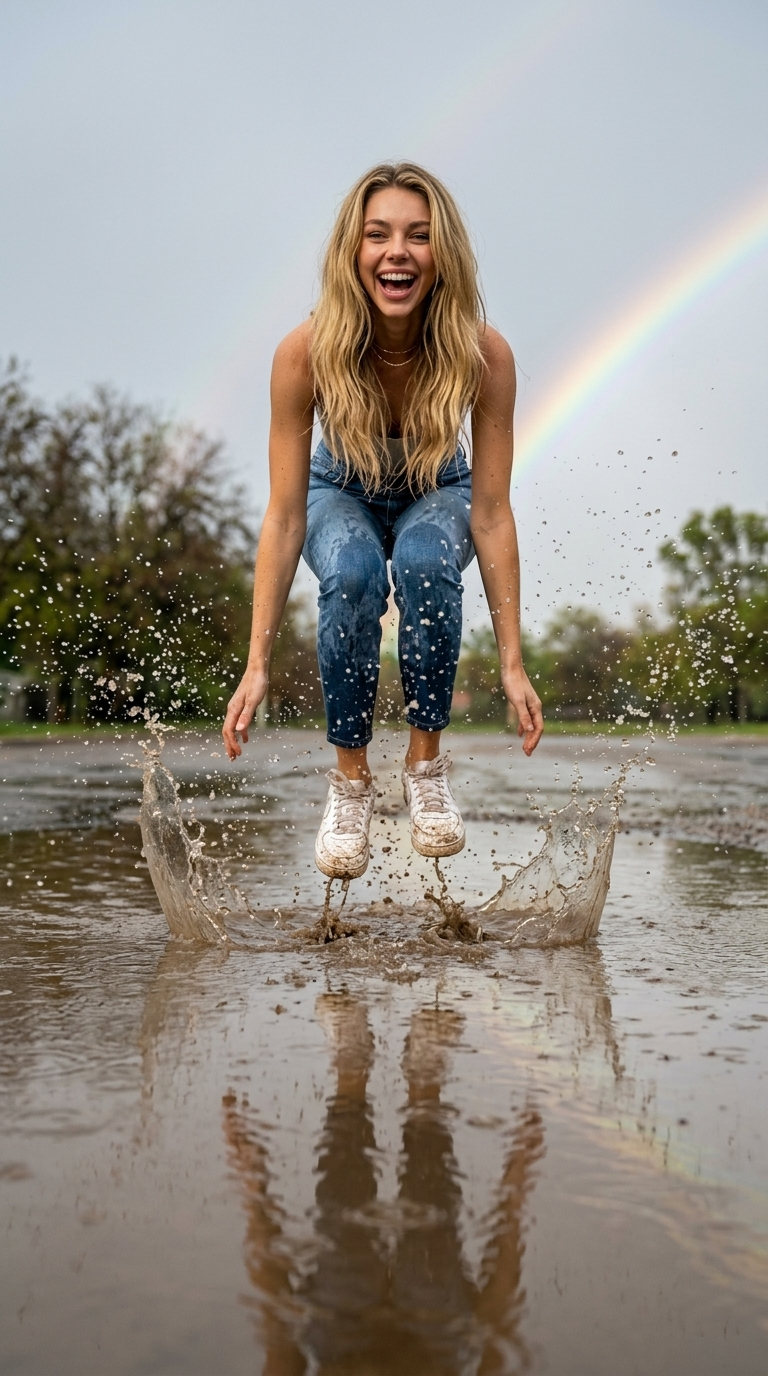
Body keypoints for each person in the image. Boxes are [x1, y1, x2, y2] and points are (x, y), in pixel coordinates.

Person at [223, 161, 543, 879]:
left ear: (443, 254)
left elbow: (491, 514)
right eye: (378, 234)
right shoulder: (305, 353)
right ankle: (351, 784)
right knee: (353, 568)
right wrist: (256, 664)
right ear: (353, 250)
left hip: (440, 488)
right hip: (338, 490)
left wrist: (514, 663)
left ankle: (425, 770)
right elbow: (284, 517)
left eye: (418, 236)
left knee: (426, 558)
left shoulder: (483, 354)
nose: (397, 251)